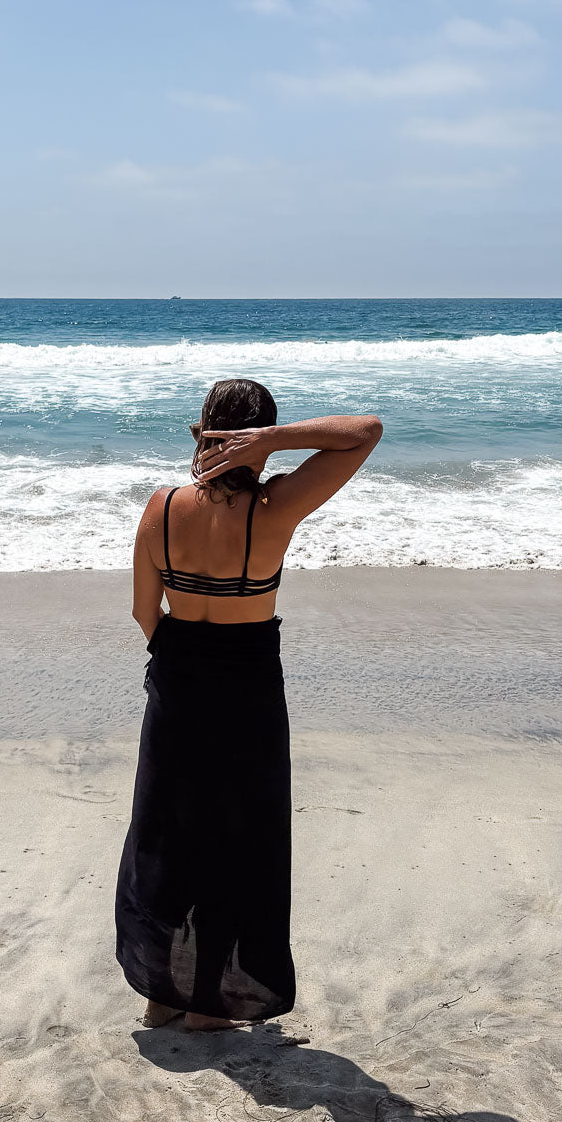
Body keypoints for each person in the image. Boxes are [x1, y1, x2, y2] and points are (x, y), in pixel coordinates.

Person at [114, 378, 383, 1032]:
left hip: (178, 678)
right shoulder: (274, 509)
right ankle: (215, 1007)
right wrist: (275, 441)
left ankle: (164, 996)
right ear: (257, 442)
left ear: (203, 430)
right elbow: (365, 431)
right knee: (239, 841)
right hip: (248, 682)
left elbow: (142, 612)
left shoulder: (162, 507)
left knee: (168, 836)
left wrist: (184, 664)